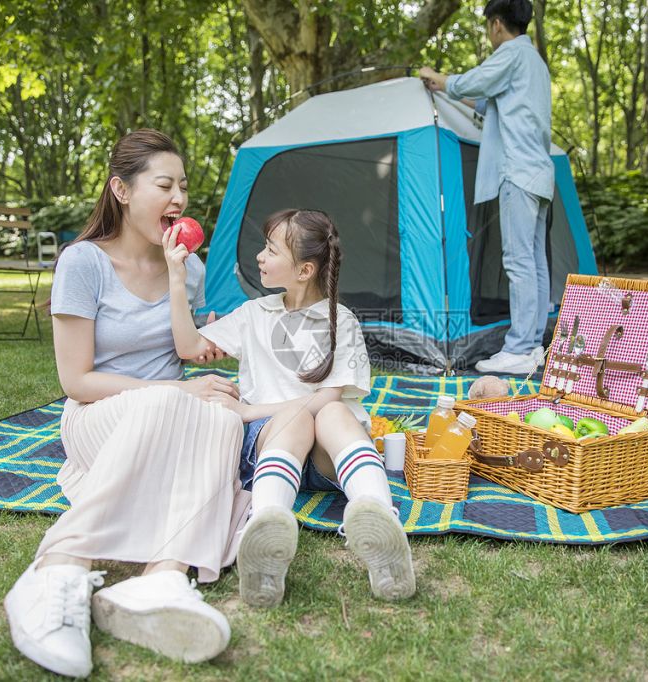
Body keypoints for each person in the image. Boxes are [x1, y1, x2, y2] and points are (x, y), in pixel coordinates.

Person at [4, 129, 249, 677]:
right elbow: (77, 381)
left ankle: (163, 577)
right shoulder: (83, 262)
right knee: (174, 405)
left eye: (182, 186)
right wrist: (177, 390)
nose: (179, 198)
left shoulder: (191, 268)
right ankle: (58, 570)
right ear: (121, 189)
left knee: (224, 421)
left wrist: (214, 344)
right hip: (99, 415)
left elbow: (187, 350)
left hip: (174, 415)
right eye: (164, 184)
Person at [163, 208, 416, 609]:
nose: (260, 257)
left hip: (330, 458)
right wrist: (177, 280)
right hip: (277, 450)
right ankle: (265, 531)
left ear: (304, 271)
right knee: (294, 419)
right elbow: (188, 347)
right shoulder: (254, 314)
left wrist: (249, 410)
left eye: (270, 250)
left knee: (332, 411)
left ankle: (378, 518)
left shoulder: (341, 321)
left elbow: (329, 398)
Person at [419, 0, 554, 375]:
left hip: (519, 172)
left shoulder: (511, 54)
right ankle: (533, 344)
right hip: (538, 173)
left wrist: (438, 76)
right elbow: (484, 98)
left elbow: (472, 81)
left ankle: (521, 347)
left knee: (519, 261)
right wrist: (446, 88)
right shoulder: (533, 63)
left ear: (496, 24)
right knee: (535, 262)